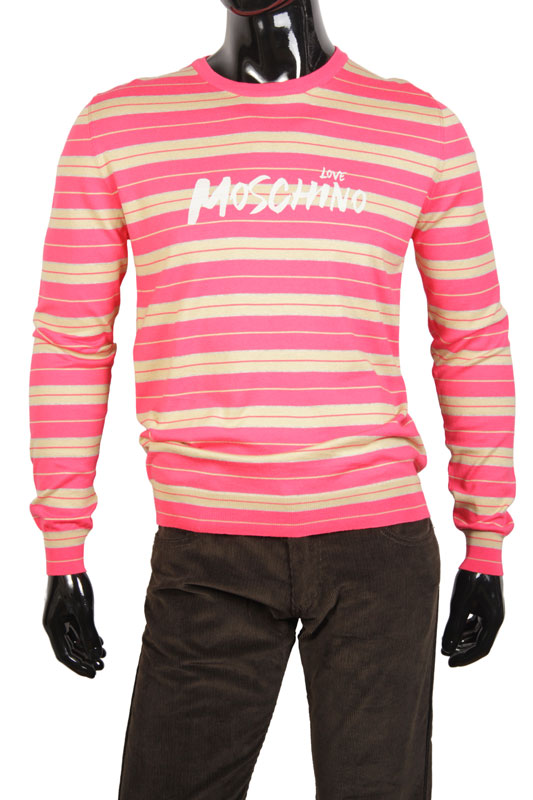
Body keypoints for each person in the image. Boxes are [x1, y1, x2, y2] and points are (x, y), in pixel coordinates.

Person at [29, 1, 515, 797]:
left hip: (377, 549)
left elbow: (471, 339)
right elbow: (70, 342)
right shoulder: (118, 129)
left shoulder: (418, 129)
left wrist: (485, 541)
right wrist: (63, 547)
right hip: (205, 549)